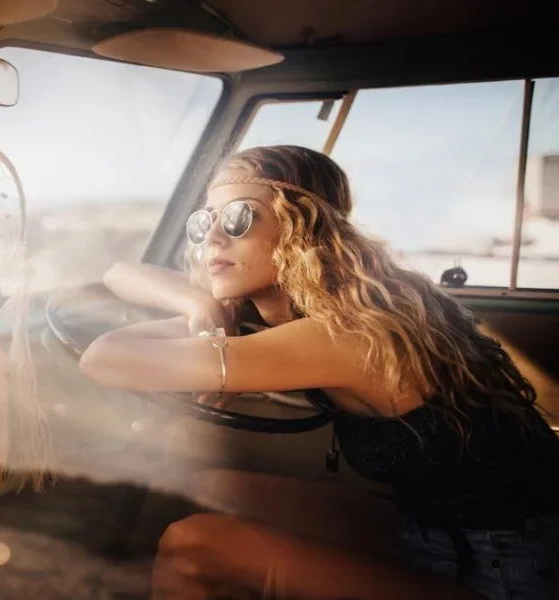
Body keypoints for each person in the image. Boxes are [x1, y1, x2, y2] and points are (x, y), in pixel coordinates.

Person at [79, 145, 559, 599]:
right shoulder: (325, 305)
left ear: (301, 228)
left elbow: (101, 359)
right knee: (216, 488)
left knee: (194, 545)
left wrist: (209, 314)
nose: (213, 237)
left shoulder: (341, 332)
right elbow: (119, 273)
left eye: (239, 217)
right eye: (204, 221)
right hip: (434, 526)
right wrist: (199, 302)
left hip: (508, 570)